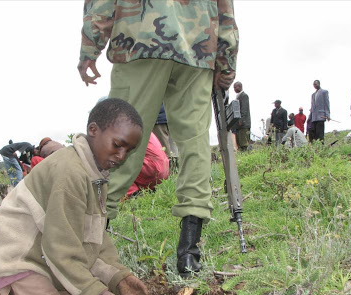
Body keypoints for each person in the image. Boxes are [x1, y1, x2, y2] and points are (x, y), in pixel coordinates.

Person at [0, 98, 151, 295]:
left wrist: (119, 277)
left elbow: (95, 236)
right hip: (18, 262)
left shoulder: (95, 175)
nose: (121, 156)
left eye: (128, 151)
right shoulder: (71, 172)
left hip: (44, 261)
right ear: (93, 130)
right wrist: (97, 294)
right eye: (118, 145)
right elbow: (60, 248)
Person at [78, 0, 239, 276]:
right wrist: (225, 60)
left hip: (140, 35)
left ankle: (89, 244)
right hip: (197, 43)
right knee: (195, 143)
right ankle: (190, 254)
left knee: (118, 141)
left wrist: (90, 47)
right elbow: (225, 7)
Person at [127, 132, 169, 197]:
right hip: (164, 170)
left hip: (151, 170)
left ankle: (132, 193)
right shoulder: (141, 124)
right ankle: (148, 191)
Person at [233, 81, 251, 151]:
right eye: (233, 87)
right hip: (239, 125)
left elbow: (244, 109)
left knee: (244, 143)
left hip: (244, 124)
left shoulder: (244, 96)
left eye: (235, 87)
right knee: (239, 143)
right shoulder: (238, 97)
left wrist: (241, 121)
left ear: (240, 87)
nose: (234, 89)